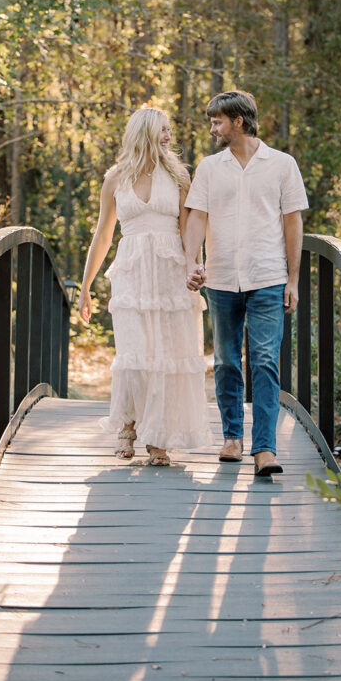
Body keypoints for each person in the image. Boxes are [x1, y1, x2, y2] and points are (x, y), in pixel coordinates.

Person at [183, 90, 308, 477]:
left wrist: (293, 278)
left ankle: (265, 449)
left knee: (266, 362)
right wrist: (192, 261)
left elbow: (293, 222)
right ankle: (232, 438)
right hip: (220, 279)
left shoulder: (282, 165)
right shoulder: (209, 168)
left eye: (217, 121)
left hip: (268, 278)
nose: (212, 128)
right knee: (225, 361)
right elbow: (197, 217)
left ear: (238, 121)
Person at [78, 107, 211, 466]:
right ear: (144, 133)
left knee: (167, 355)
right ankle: (128, 426)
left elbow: (189, 231)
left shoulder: (180, 176)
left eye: (170, 129)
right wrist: (86, 287)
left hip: (170, 274)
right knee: (135, 354)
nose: (169, 136)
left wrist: (194, 267)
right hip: (133, 274)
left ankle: (158, 438)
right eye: (162, 130)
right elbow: (103, 235)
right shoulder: (115, 179)